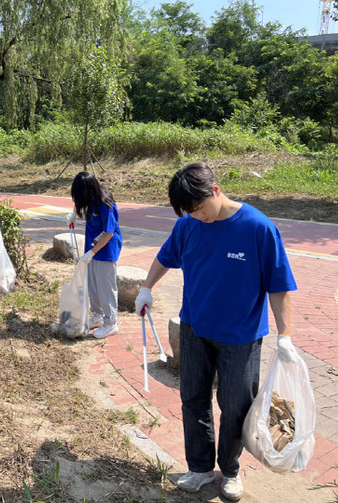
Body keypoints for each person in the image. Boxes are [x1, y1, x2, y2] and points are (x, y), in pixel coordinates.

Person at [134, 162, 299, 501]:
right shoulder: (188, 226)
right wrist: (146, 287)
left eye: (200, 209)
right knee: (193, 399)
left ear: (216, 190)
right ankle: (199, 468)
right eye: (190, 213)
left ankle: (231, 470)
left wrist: (285, 335)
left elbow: (279, 285)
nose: (198, 217)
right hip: (195, 327)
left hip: (241, 336)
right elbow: (166, 256)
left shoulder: (257, 227)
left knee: (235, 406)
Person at [67, 171, 123, 339]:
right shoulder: (91, 199)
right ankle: (98, 316)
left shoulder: (105, 204)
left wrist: (92, 252)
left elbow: (108, 233)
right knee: (94, 286)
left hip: (106, 251)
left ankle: (111, 323)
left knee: (106, 288)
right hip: (92, 249)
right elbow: (84, 211)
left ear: (88, 190)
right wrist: (75, 215)